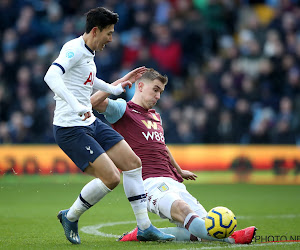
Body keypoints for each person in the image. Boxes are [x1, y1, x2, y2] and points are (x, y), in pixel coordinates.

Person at [44, 7, 175, 245]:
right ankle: (70, 216)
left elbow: (88, 80)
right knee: (112, 177)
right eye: (109, 33)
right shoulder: (72, 49)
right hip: (70, 129)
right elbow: (50, 76)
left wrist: (116, 87)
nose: (111, 39)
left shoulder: (87, 53)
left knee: (133, 164)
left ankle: (144, 227)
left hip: (90, 123)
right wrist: (75, 105)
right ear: (96, 31)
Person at [91, 68, 257, 244]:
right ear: (140, 86)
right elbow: (92, 102)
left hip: (172, 180)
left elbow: (161, 146)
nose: (158, 96)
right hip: (148, 183)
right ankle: (232, 239)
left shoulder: (156, 116)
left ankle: (141, 233)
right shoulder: (123, 109)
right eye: (155, 89)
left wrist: (178, 170)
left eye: (161, 92)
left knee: (202, 227)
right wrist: (120, 82)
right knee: (184, 211)